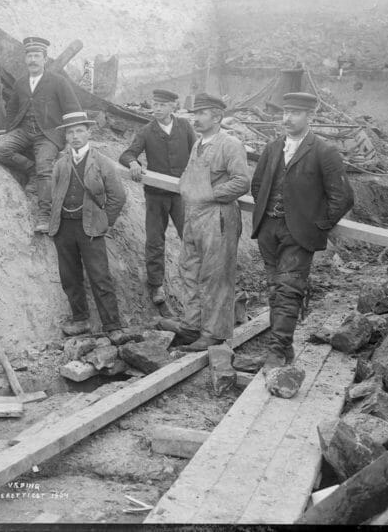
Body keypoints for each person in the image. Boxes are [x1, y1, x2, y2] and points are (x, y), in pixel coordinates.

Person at [250, 92, 354, 369]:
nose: (287, 118)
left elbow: (342, 197)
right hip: (268, 229)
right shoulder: (273, 148)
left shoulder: (324, 151)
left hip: (299, 234)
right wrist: (267, 214)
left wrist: (316, 225)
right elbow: (257, 186)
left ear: (311, 117)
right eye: (285, 112)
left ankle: (274, 353)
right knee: (275, 289)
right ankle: (284, 348)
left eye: (295, 113)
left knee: (288, 290)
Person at [159, 94, 250, 351]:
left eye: (201, 114)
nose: (196, 119)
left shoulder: (230, 144)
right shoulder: (198, 144)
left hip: (217, 218)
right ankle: (192, 326)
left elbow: (242, 182)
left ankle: (213, 333)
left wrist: (209, 195)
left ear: (217, 117)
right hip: (194, 217)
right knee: (190, 271)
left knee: (215, 276)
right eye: (195, 114)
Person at [48, 112, 127, 342]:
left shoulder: (101, 162)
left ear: (89, 132)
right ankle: (80, 319)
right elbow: (55, 193)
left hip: (91, 229)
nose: (75, 136)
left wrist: (104, 223)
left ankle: (112, 325)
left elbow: (117, 197)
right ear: (65, 135)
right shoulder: (61, 163)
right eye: (70, 132)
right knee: (69, 277)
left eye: (79, 131)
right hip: (64, 228)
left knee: (100, 276)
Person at [0, 36, 81, 233]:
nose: (32, 60)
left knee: (45, 169)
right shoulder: (21, 83)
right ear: (25, 59)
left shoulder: (58, 82)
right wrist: (8, 132)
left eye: (37, 56)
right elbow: (12, 109)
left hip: (47, 134)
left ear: (45, 59)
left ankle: (45, 216)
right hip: (23, 130)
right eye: (29, 56)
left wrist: (69, 139)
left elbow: (73, 109)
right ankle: (29, 169)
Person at [118, 89, 197, 306]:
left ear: (173, 106)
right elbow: (126, 154)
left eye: (162, 105)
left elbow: (198, 153)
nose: (157, 109)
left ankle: (197, 282)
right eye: (155, 104)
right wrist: (133, 163)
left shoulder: (185, 127)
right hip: (156, 196)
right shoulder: (147, 131)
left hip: (182, 195)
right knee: (155, 241)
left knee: (190, 238)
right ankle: (156, 285)